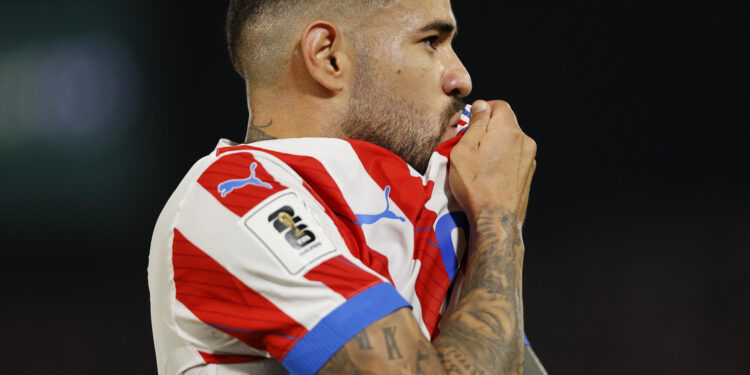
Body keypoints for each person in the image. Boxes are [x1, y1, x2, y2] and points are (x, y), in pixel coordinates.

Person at [148, 0, 544, 374]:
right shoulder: (233, 196)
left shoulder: (429, 200)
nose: (461, 78)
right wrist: (499, 216)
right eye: (431, 42)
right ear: (328, 57)